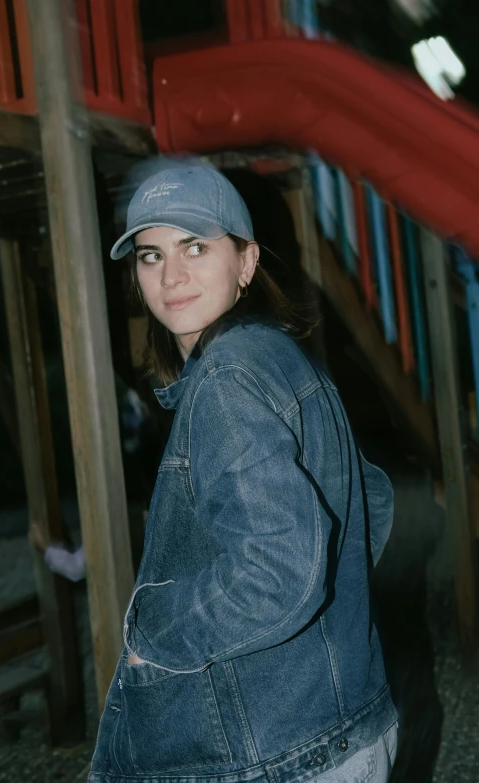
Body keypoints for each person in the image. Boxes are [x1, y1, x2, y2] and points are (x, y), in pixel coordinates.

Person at [88, 164, 398, 782]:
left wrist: (155, 635)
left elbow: (278, 569)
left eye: (195, 247)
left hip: (281, 755)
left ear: (247, 262)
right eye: (151, 255)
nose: (171, 275)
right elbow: (375, 500)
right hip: (350, 727)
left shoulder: (227, 380)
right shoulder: (280, 353)